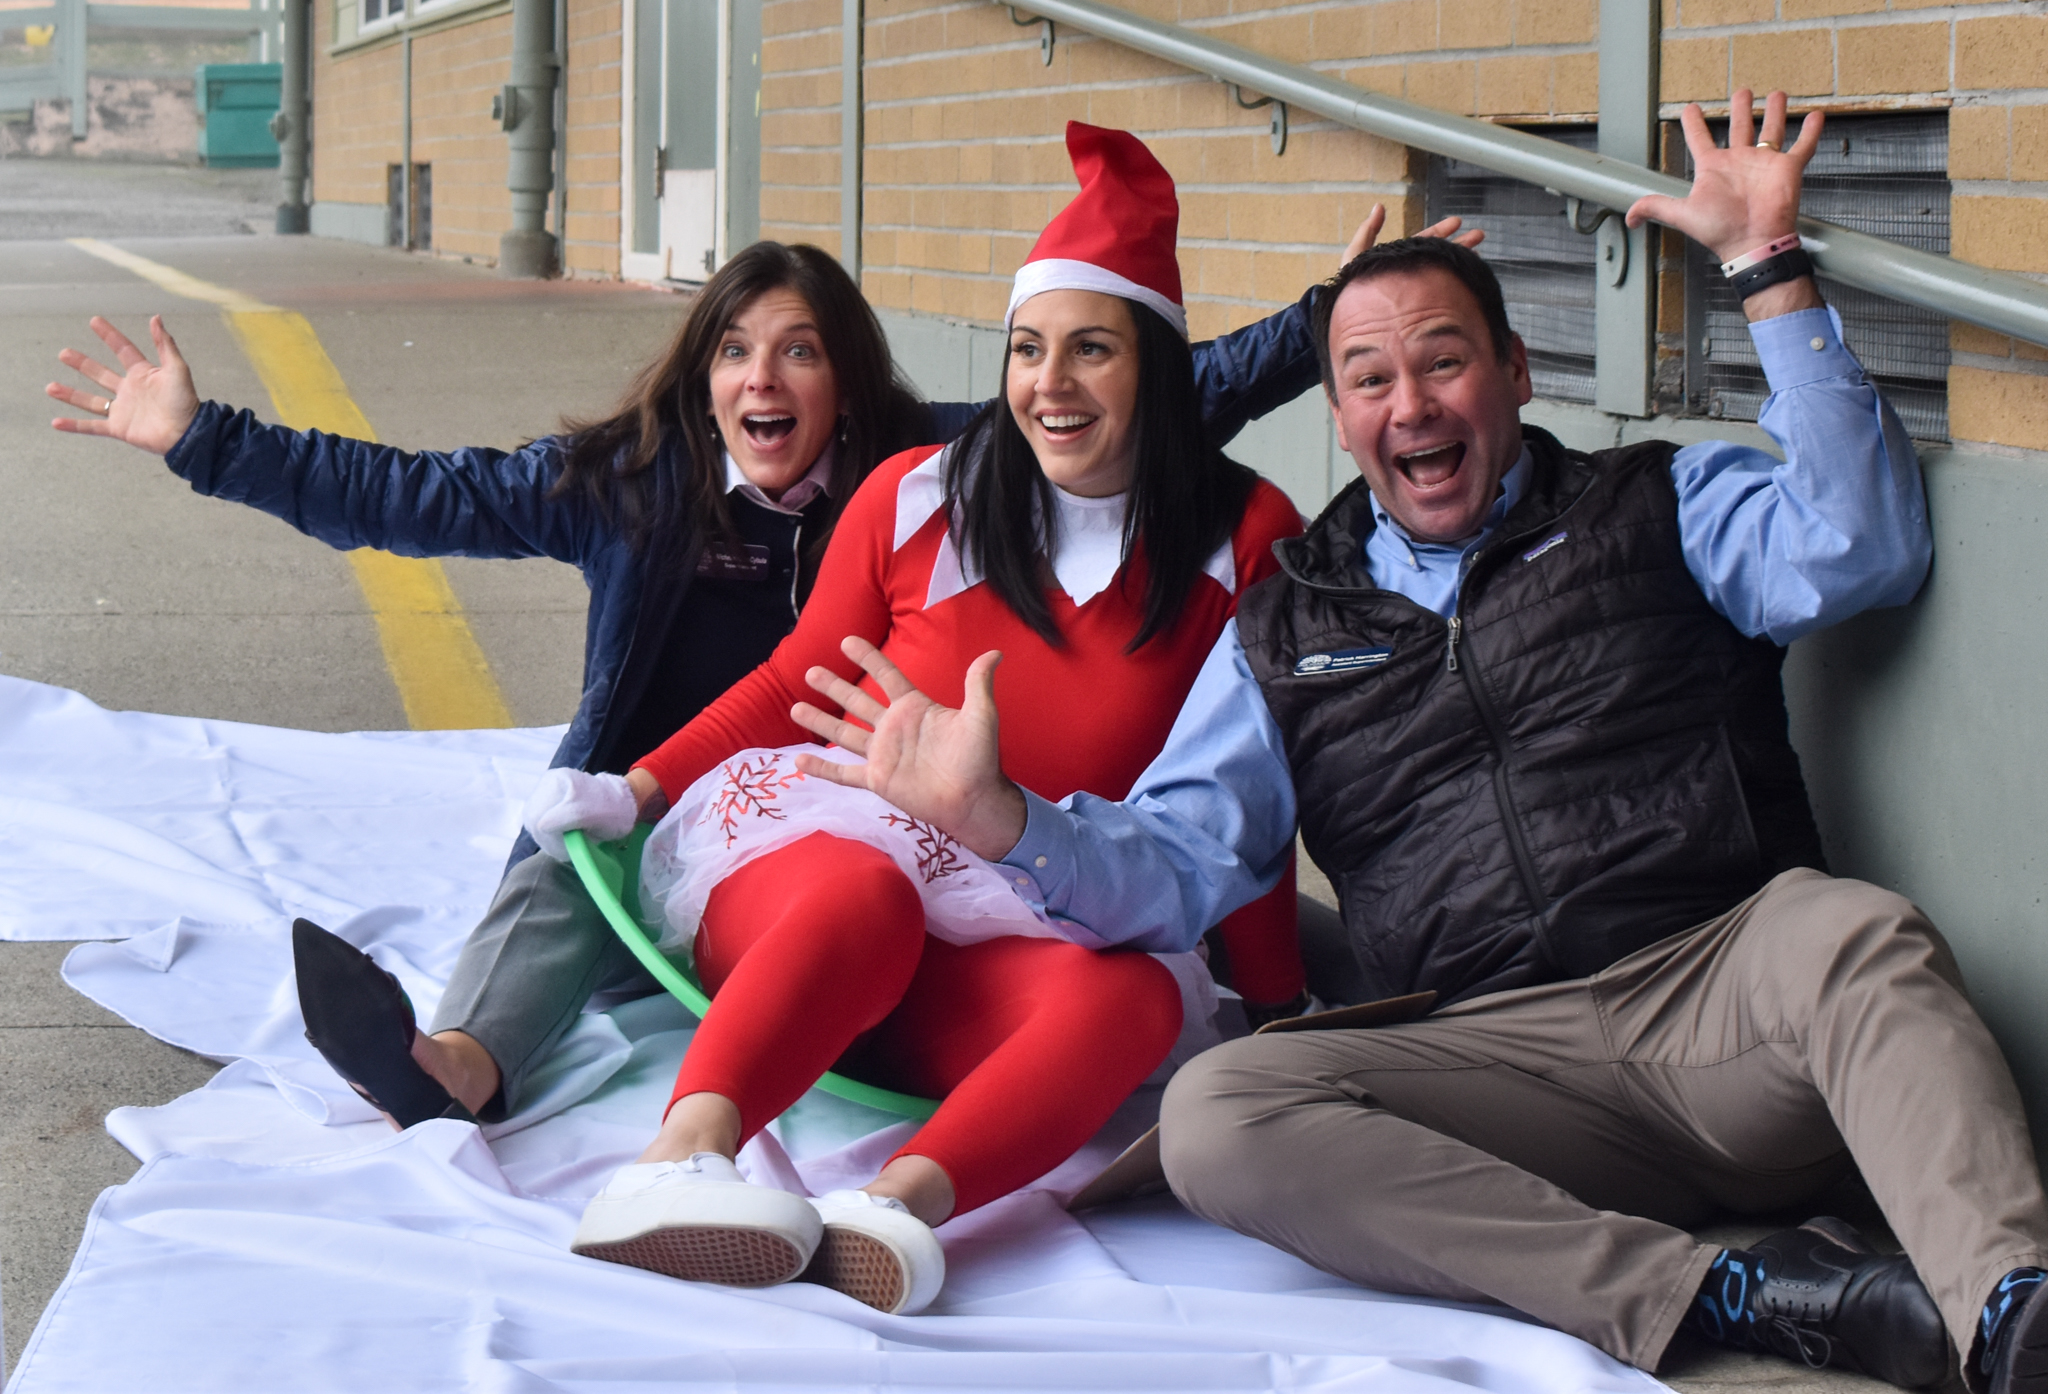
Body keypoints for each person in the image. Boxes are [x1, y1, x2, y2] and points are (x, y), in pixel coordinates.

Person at [771, 91, 2048, 1392]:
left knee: (1848, 932)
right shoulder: (1285, 622)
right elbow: (1173, 863)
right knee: (1221, 1114)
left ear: (1515, 372)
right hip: (1499, 1067)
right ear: (1339, 414)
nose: (1412, 403)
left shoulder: (1657, 503)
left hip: (1723, 1000)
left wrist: (1765, 269)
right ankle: (1719, 1294)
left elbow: (1861, 547)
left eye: (1443, 361)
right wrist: (1004, 818)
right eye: (1370, 378)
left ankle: (2009, 1316)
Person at [307, 121, 1307, 1318]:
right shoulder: (916, 491)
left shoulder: (1243, 534)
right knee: (861, 889)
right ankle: (677, 1164)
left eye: (1090, 349)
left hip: (1038, 905)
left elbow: (1243, 805)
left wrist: (1275, 1002)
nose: (1049, 384)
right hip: (831, 863)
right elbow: (792, 682)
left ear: (1151, 359)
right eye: (1027, 349)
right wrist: (637, 787)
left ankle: (892, 1213)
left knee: (1137, 997)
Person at [45, 212, 1471, 1024]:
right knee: (555, 868)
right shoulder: (620, 486)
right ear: (706, 374)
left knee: (1242, 929)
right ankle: (455, 1066)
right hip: (666, 805)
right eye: (735, 349)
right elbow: (404, 494)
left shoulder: (926, 472)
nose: (762, 377)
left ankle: (1443, 1016)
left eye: (796, 350)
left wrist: (1322, 317)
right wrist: (203, 438)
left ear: (844, 379)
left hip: (919, 819)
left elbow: (1131, 400)